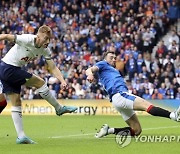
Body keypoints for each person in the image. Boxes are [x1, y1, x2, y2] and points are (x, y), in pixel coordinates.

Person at [0, 25, 77, 144]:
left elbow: (53, 67)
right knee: (40, 82)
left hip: (12, 70)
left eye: (49, 39)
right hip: (7, 68)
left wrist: (62, 80)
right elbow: (5, 36)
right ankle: (59, 108)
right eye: (45, 38)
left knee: (16, 102)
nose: (47, 41)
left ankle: (21, 136)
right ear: (38, 36)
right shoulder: (26, 39)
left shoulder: (44, 49)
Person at [86, 51, 180, 138]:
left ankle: (109, 130)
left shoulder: (111, 70)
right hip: (120, 95)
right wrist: (90, 74)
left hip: (117, 101)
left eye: (115, 58)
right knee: (147, 106)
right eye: (111, 57)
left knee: (136, 131)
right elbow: (89, 69)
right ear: (105, 59)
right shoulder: (103, 64)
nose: (114, 59)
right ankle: (173, 115)